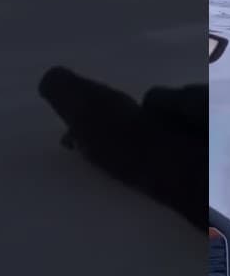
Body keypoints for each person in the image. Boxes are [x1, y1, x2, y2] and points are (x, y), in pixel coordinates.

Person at [37, 66, 204, 228]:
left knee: (117, 128)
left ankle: (67, 100)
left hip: (151, 147)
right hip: (167, 172)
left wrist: (161, 100)